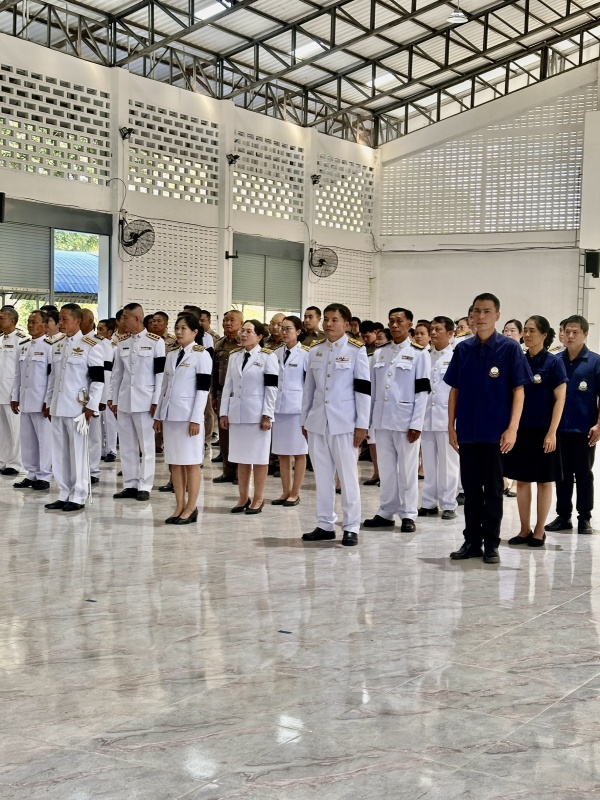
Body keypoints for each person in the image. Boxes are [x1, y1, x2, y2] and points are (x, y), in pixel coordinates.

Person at [444, 293, 532, 563]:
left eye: (486, 311)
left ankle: (491, 543)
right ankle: (471, 541)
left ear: (497, 315)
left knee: (493, 490)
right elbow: (454, 390)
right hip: (468, 432)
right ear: (471, 315)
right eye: (476, 311)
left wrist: (513, 428)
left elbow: (519, 390)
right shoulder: (462, 349)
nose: (480, 316)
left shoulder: (509, 348)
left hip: (496, 433)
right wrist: (451, 426)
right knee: (471, 490)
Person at [301, 303, 371, 546]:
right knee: (322, 477)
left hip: (345, 423)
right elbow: (308, 389)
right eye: (327, 319)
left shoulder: (356, 350)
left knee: (348, 478)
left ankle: (351, 526)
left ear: (347, 324)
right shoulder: (315, 350)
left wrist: (362, 424)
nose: (329, 324)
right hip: (318, 422)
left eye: (334, 320)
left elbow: (363, 390)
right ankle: (325, 524)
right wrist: (304, 420)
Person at [363, 307, 431, 533]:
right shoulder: (380, 353)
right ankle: (386, 511)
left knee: (408, 470)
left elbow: (422, 392)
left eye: (399, 321)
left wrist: (416, 423)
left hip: (405, 421)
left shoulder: (419, 354)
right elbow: (372, 391)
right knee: (387, 469)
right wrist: (368, 422)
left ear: (409, 325)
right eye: (391, 321)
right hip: (382, 420)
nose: (394, 325)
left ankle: (409, 513)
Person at [504, 316, 567, 547]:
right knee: (522, 481)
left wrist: (552, 432)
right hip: (521, 430)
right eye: (526, 330)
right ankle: (524, 529)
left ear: (544, 335)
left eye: (532, 330)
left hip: (544, 431)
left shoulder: (553, 363)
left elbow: (560, 400)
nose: (527, 335)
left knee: (544, 481)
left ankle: (540, 529)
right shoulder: (519, 360)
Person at [44, 303, 105, 511]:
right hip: (58, 406)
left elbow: (98, 380)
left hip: (78, 408)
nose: (60, 323)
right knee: (59, 452)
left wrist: (91, 406)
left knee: (78, 453)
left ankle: (79, 495)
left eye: (65, 319)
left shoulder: (91, 345)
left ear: (77, 321)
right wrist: (48, 402)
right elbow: (52, 379)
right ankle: (64, 493)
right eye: (59, 319)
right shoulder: (56, 345)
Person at [154, 313, 212, 525]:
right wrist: (158, 416)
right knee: (175, 464)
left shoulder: (202, 355)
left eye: (184, 328)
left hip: (188, 418)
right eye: (177, 328)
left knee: (191, 463)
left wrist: (196, 419)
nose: (179, 332)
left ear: (195, 332)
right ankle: (179, 505)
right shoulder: (171, 355)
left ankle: (191, 507)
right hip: (171, 416)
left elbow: (203, 390)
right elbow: (164, 389)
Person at [546, 315, 600, 535]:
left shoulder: (594, 361)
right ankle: (563, 516)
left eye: (575, 332)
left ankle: (584, 517)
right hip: (559, 430)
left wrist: (599, 424)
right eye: (567, 331)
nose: (570, 336)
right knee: (562, 474)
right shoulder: (555, 360)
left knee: (584, 474)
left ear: (585, 334)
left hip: (584, 430)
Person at [219, 319, 279, 514]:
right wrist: (224, 412)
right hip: (237, 414)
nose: (243, 335)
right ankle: (243, 497)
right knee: (241, 458)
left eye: (248, 331)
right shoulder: (235, 355)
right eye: (242, 331)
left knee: (259, 458)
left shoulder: (268, 357)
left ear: (259, 336)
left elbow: (271, 388)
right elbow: (228, 386)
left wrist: (267, 414)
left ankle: (259, 498)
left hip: (257, 416)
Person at [110, 302, 166, 501]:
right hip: (125, 401)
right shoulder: (122, 342)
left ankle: (145, 484)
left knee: (147, 446)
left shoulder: (155, 342)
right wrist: (113, 399)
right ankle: (130, 484)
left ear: (137, 319)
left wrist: (156, 400)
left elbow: (160, 375)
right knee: (127, 446)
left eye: (125, 317)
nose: (122, 321)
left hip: (145, 401)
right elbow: (117, 374)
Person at [419, 316, 459, 520]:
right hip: (426, 417)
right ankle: (428, 502)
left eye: (438, 329)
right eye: (432, 329)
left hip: (447, 418)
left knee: (448, 464)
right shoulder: (425, 356)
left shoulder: (456, 357)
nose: (433, 333)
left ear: (450, 333)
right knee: (429, 463)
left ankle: (449, 504)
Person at [11, 310, 53, 491]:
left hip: (41, 400)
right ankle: (31, 473)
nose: (30, 325)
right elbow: (18, 375)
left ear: (45, 325)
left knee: (44, 440)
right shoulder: (23, 346)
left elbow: (52, 376)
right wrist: (15, 396)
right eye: (29, 321)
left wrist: (48, 401)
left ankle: (44, 475)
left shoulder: (50, 346)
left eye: (34, 322)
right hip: (26, 400)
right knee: (28, 440)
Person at [271, 315, 309, 506]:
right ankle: (285, 491)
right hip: (278, 408)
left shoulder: (306, 354)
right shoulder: (275, 353)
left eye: (288, 329)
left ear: (299, 331)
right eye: (282, 328)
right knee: (282, 453)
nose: (284, 332)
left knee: (299, 452)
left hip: (297, 409)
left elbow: (310, 385)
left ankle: (295, 492)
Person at [81, 309, 113, 486]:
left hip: (93, 396)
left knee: (93, 434)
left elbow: (105, 373)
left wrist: (102, 399)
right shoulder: (71, 341)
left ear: (90, 321)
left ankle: (93, 470)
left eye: (82, 319)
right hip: (75, 397)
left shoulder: (100, 342)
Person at [211, 309, 243, 483]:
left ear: (241, 323)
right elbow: (214, 372)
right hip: (222, 392)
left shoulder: (244, 343)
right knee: (224, 435)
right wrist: (213, 395)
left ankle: (240, 472)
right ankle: (228, 470)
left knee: (238, 434)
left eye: (232, 320)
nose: (227, 323)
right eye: (225, 320)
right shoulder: (219, 344)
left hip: (239, 395)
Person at [0, 305, 30, 476]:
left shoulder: (21, 340)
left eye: (2, 318)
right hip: (0, 391)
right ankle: (3, 460)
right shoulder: (1, 339)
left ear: (12, 320)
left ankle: (15, 463)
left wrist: (16, 394)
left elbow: (21, 370)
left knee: (15, 429)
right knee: (3, 430)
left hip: (11, 392)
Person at [98, 319, 118, 462]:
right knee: (97, 420)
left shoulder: (114, 348)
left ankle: (111, 449)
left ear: (110, 332)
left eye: (101, 329)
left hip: (109, 385)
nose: (98, 332)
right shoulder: (94, 345)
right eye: (97, 329)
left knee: (109, 420)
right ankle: (100, 449)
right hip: (97, 385)